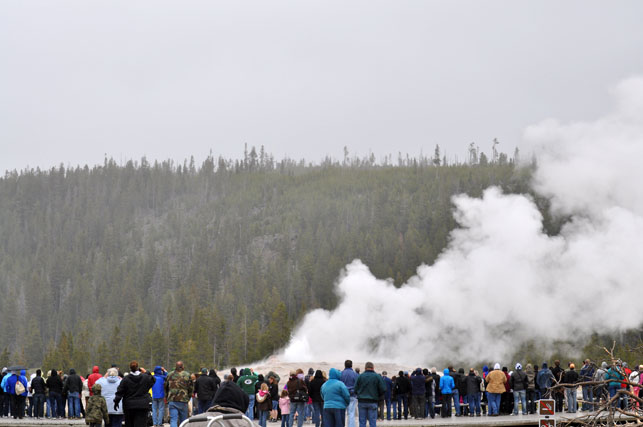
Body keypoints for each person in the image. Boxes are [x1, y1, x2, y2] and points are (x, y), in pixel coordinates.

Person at [114, 361, 155, 427]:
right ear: (138, 367)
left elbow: (120, 391)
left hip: (129, 406)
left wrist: (116, 402)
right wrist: (147, 372)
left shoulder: (126, 379)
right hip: (142, 405)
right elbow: (153, 380)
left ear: (130, 368)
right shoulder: (145, 378)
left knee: (130, 424)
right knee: (141, 424)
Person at [354, 362, 385, 427]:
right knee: (373, 422)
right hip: (373, 401)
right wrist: (377, 395)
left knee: (362, 422)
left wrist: (359, 394)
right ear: (373, 368)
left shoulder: (360, 376)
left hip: (362, 401)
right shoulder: (377, 376)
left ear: (365, 368)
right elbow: (383, 389)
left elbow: (355, 389)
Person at [165, 361, 194, 427]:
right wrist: (188, 398)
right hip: (183, 400)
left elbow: (166, 387)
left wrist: (167, 397)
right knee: (183, 421)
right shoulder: (187, 375)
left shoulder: (169, 375)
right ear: (182, 366)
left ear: (176, 366)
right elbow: (191, 388)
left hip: (172, 400)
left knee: (173, 420)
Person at [340, 360, 359, 427]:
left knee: (342, 413)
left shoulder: (341, 373)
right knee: (351, 413)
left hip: (343, 396)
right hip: (352, 395)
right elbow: (357, 385)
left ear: (344, 365)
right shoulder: (355, 374)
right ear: (351, 365)